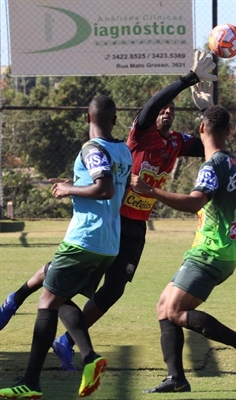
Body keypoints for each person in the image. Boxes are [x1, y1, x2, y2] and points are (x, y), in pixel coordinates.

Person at [0, 50, 217, 372]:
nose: (167, 112)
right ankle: (15, 299)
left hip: (133, 227)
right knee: (64, 278)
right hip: (111, 219)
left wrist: (207, 110)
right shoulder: (139, 134)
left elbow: (213, 143)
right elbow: (153, 104)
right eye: (163, 109)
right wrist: (186, 80)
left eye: (172, 110)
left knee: (112, 289)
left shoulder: (176, 142)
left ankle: (66, 341)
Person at [0, 96, 133, 399]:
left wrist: (67, 189)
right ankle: (86, 357)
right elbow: (115, 191)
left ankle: (33, 382)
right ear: (114, 120)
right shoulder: (123, 150)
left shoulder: (92, 148)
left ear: (88, 118)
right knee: (56, 296)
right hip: (109, 244)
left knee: (47, 303)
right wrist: (76, 183)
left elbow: (104, 187)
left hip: (83, 240)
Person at [130, 105, 236, 393]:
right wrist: (232, 238)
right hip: (220, 253)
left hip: (209, 255)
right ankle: (176, 378)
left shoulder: (212, 166)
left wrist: (150, 190)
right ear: (228, 132)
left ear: (202, 129)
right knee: (164, 307)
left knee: (176, 311)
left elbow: (193, 203)